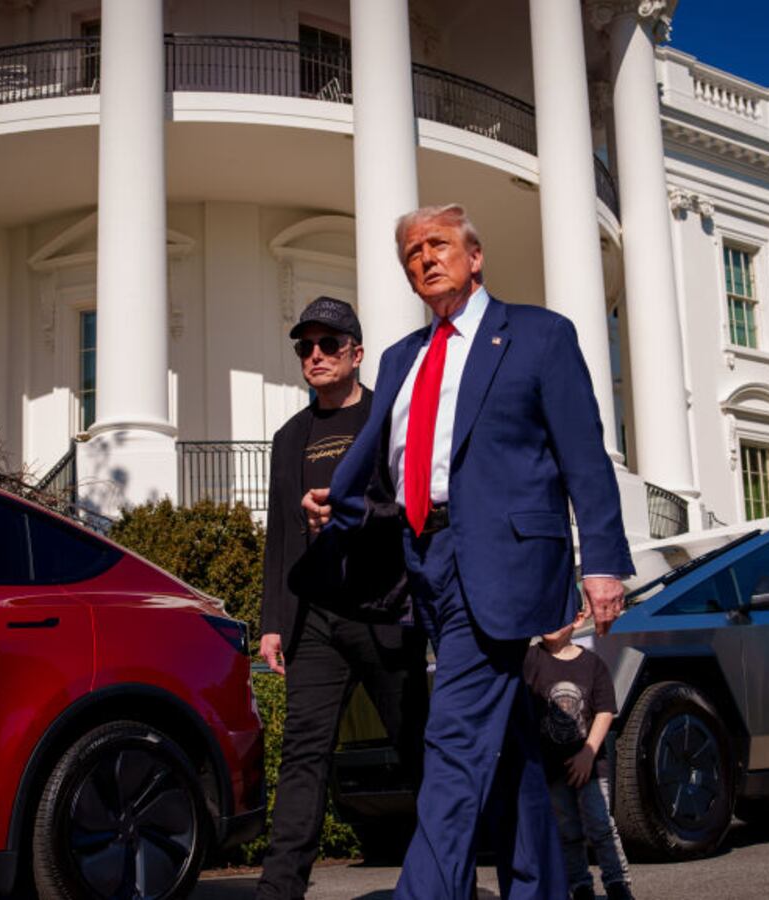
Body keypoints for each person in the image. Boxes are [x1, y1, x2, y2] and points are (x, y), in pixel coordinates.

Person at [304, 204, 633, 899]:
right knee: (507, 739)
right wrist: (343, 507)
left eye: (438, 244)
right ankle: (541, 887)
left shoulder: (538, 335)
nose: (424, 258)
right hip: (423, 559)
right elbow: (398, 469)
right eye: (412, 253)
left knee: (452, 738)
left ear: (474, 257)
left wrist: (601, 560)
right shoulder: (401, 357)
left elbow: (583, 454)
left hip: (504, 558)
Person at [256, 296, 427, 900]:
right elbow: (280, 534)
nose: (316, 356)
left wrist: (352, 517)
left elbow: (416, 511)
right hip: (317, 620)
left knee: (418, 750)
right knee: (303, 758)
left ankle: (442, 875)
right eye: (306, 346)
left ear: (356, 352)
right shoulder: (289, 437)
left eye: (329, 344)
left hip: (386, 610)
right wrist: (273, 621)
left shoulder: (391, 418)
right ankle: (278, 891)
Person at [525, 607, 635, 900]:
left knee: (600, 825)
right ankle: (580, 885)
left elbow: (604, 711)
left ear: (577, 619)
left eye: (556, 614)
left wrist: (588, 752)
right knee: (566, 830)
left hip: (590, 764)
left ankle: (617, 883)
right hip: (551, 767)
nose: (548, 622)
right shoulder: (531, 660)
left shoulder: (592, 664)